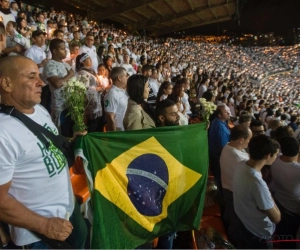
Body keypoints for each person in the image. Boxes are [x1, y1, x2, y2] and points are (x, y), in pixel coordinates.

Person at [0, 56, 87, 248]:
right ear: (6, 83)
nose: (41, 82)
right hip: (39, 235)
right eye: (32, 77)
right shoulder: (3, 132)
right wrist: (44, 225)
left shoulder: (39, 110)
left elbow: (45, 146)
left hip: (69, 210)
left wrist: (72, 140)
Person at [232, 135, 280, 249]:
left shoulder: (241, 164)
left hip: (243, 222)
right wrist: (269, 197)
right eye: (276, 154)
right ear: (268, 155)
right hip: (258, 233)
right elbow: (276, 218)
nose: (276, 157)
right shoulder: (257, 183)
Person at [220, 125, 252, 231]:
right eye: (249, 139)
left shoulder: (227, 146)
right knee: (235, 221)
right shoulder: (239, 158)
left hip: (227, 188)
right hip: (234, 192)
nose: (249, 142)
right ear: (241, 140)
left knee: (229, 214)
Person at [271, 136, 300, 249]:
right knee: (292, 238)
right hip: (294, 209)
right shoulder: (297, 170)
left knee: (283, 234)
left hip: (279, 202)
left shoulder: (275, 158)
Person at [43, 38, 75, 136]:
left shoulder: (65, 63)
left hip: (71, 103)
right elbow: (56, 84)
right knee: (62, 133)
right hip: (60, 106)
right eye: (62, 49)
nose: (65, 50)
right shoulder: (50, 64)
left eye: (65, 48)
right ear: (55, 51)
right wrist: (69, 75)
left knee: (72, 132)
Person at [208, 106, 231, 191]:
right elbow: (223, 148)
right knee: (221, 178)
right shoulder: (220, 127)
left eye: (228, 111)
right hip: (218, 156)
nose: (229, 113)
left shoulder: (219, 121)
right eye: (226, 112)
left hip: (215, 155)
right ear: (219, 115)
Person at [104, 67, 128, 131]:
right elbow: (110, 117)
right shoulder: (112, 94)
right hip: (119, 131)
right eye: (125, 76)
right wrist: (114, 135)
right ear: (119, 78)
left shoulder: (122, 90)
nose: (127, 78)